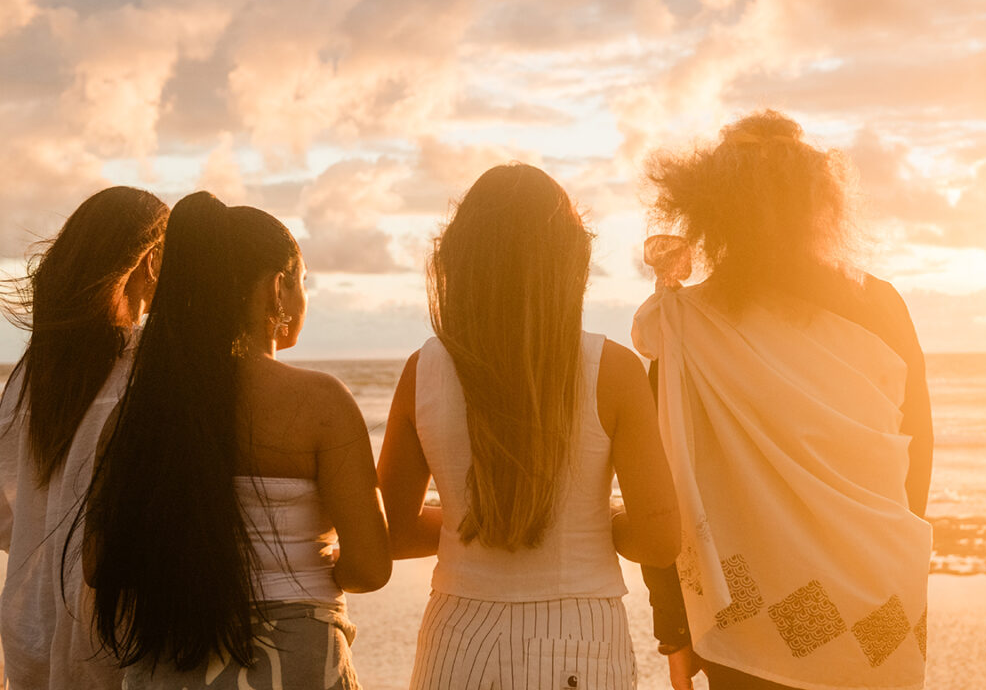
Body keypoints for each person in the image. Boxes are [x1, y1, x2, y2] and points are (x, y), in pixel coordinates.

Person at [634, 111, 933, 690]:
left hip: (742, 617)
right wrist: (899, 561)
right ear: (821, 203)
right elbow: (915, 463)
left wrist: (672, 629)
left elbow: (665, 489)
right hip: (876, 591)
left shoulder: (683, 326)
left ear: (710, 209)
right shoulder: (880, 304)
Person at [378, 164, 680, 690]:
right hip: (579, 640)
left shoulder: (422, 371)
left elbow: (395, 532)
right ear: (569, 261)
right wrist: (587, 521)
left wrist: (471, 522)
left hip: (457, 639)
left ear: (459, 262)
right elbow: (658, 541)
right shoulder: (613, 369)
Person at [81, 191, 391, 690]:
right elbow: (372, 567)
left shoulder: (137, 413)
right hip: (297, 661)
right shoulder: (320, 402)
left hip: (169, 655)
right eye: (303, 282)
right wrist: (330, 566)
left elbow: (99, 566)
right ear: (277, 289)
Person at [0, 186, 168, 690]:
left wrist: (42, 537)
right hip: (111, 636)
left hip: (27, 628)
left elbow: (2, 511)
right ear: (152, 261)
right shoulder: (145, 366)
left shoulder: (33, 371)